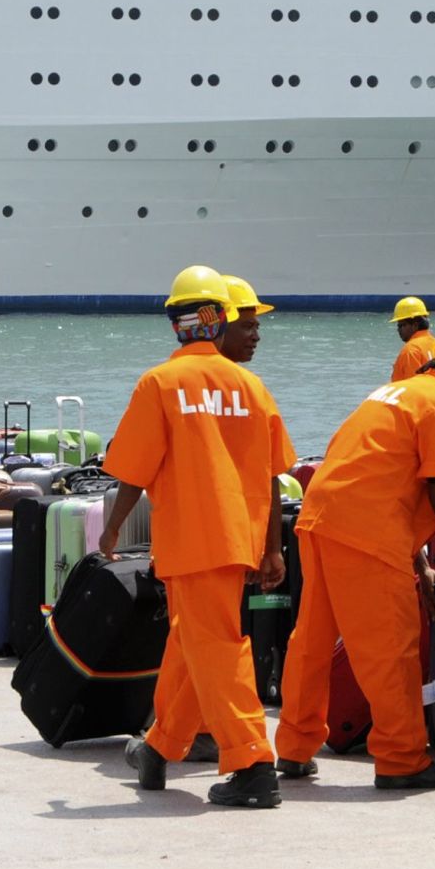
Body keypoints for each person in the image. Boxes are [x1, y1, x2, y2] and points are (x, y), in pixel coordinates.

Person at [97, 266, 294, 809]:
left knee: (216, 648)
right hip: (238, 540)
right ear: (219, 321)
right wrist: (272, 545)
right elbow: (274, 473)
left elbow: (134, 471)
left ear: (176, 322)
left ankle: (254, 764)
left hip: (191, 540)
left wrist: (112, 529)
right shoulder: (250, 386)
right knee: (191, 644)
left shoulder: (161, 383)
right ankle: (160, 748)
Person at [274, 324, 435, 788]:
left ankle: (295, 748)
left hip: (319, 519)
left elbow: (386, 474)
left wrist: (418, 564)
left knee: (312, 642)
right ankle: (401, 759)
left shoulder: (392, 393)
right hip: (366, 531)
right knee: (391, 648)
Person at [388, 296, 435, 382]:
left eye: (401, 325)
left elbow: (412, 387)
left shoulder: (411, 350)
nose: (398, 330)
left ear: (415, 325)